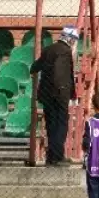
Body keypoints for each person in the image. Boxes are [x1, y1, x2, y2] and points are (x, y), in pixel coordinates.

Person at [30, 25, 79, 165]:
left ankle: (51, 156)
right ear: (69, 39)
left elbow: (34, 67)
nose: (74, 42)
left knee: (51, 125)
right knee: (61, 124)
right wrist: (63, 89)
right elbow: (60, 72)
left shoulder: (49, 49)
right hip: (59, 94)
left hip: (46, 94)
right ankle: (57, 156)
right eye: (74, 39)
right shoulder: (65, 51)